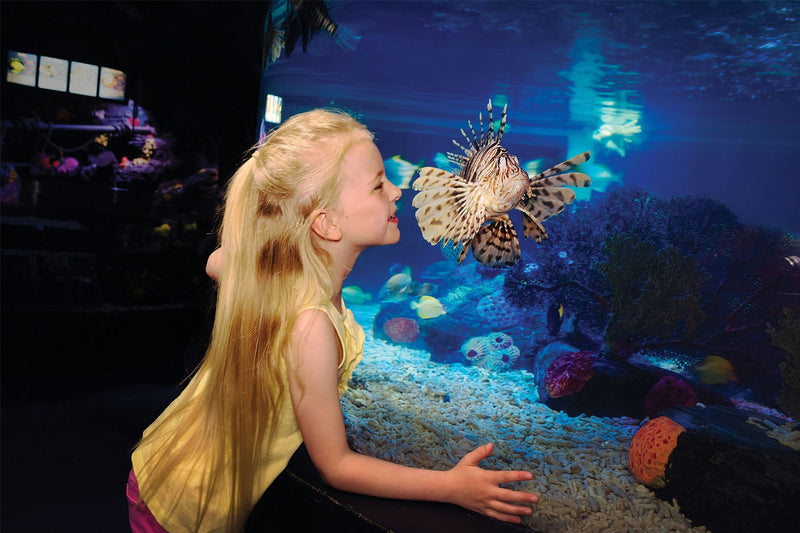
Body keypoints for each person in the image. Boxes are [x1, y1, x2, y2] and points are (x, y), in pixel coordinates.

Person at [127, 108, 538, 532]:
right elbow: (337, 466)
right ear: (326, 223)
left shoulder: (283, 278)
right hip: (183, 505)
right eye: (379, 184)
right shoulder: (311, 326)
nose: (397, 191)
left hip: (163, 458)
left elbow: (218, 260)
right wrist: (450, 487)